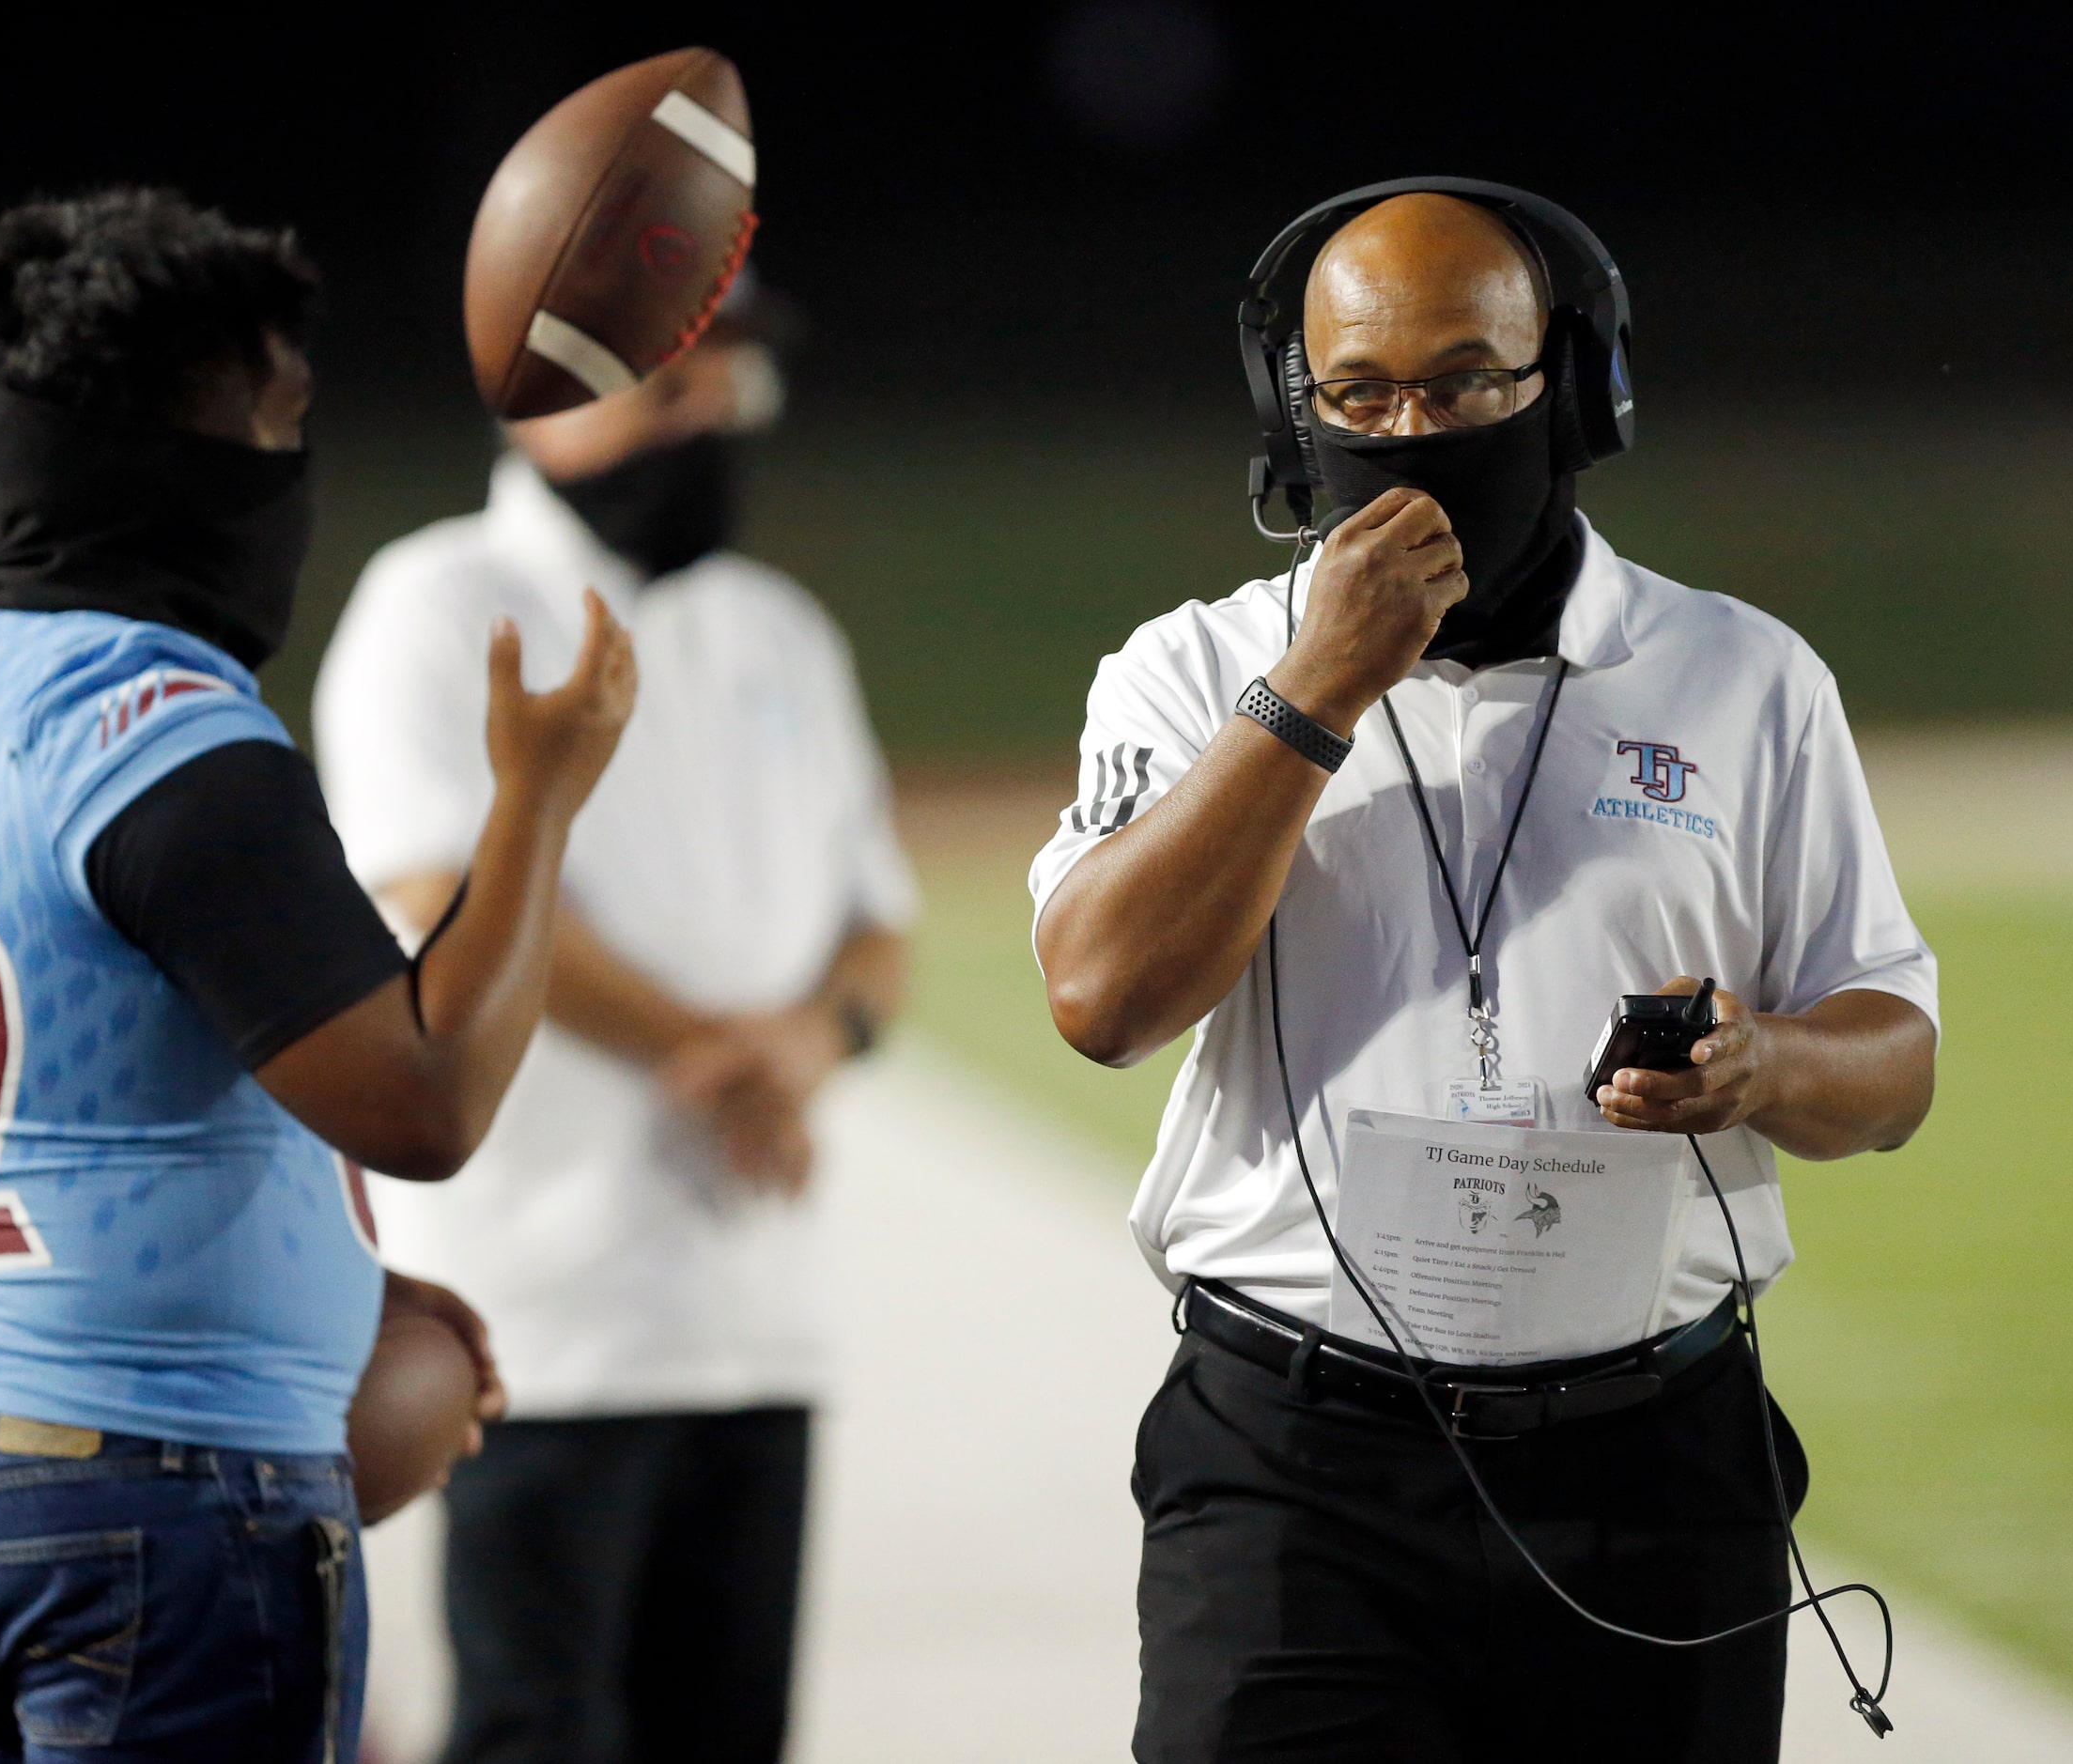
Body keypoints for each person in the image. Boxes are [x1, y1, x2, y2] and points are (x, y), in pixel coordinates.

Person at [1030, 188, 1939, 1761]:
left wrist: (1767, 1066)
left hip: (1653, 1462)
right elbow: (1101, 999)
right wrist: (1318, 681)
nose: (1408, 427)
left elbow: (1896, 1059)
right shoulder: (1189, 669)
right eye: (1358, 394)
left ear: (1574, 393)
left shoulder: (1743, 675)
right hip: (1293, 1467)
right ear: (1289, 414)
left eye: (1464, 383)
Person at [0, 188, 635, 1762]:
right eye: (279, 420)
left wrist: (318, 1286)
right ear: (184, 464)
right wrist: (538, 795)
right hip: (149, 1487)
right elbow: (425, 1097)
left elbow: (89, 1077)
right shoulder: (158, 731)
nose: (295, 466)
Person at [314, 276, 912, 1764]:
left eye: (733, 388)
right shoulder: (439, 597)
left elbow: (876, 914)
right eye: (676, 385)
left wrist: (803, 1046)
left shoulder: (776, 624)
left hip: (755, 1308)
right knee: (538, 1728)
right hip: (540, 1308)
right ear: (555, 396)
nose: (712, 419)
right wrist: (711, 1053)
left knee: (727, 1732)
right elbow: (430, 877)